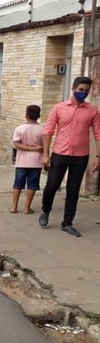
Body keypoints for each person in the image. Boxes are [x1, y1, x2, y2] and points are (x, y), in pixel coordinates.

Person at [39, 77, 100, 237]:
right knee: (52, 186)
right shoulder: (59, 108)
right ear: (73, 88)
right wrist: (45, 154)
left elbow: (98, 134)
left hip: (80, 157)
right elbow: (48, 132)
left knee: (73, 190)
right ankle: (45, 211)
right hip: (60, 154)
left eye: (86, 91)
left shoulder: (92, 110)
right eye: (81, 90)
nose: (83, 93)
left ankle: (67, 223)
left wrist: (98, 156)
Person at [11, 105, 44, 215]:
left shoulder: (20, 129)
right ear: (38, 116)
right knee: (32, 185)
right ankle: (27, 208)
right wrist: (37, 149)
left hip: (21, 161)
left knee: (18, 184)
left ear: (26, 115)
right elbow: (45, 146)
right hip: (36, 162)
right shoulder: (42, 130)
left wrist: (29, 148)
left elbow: (17, 145)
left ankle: (14, 206)